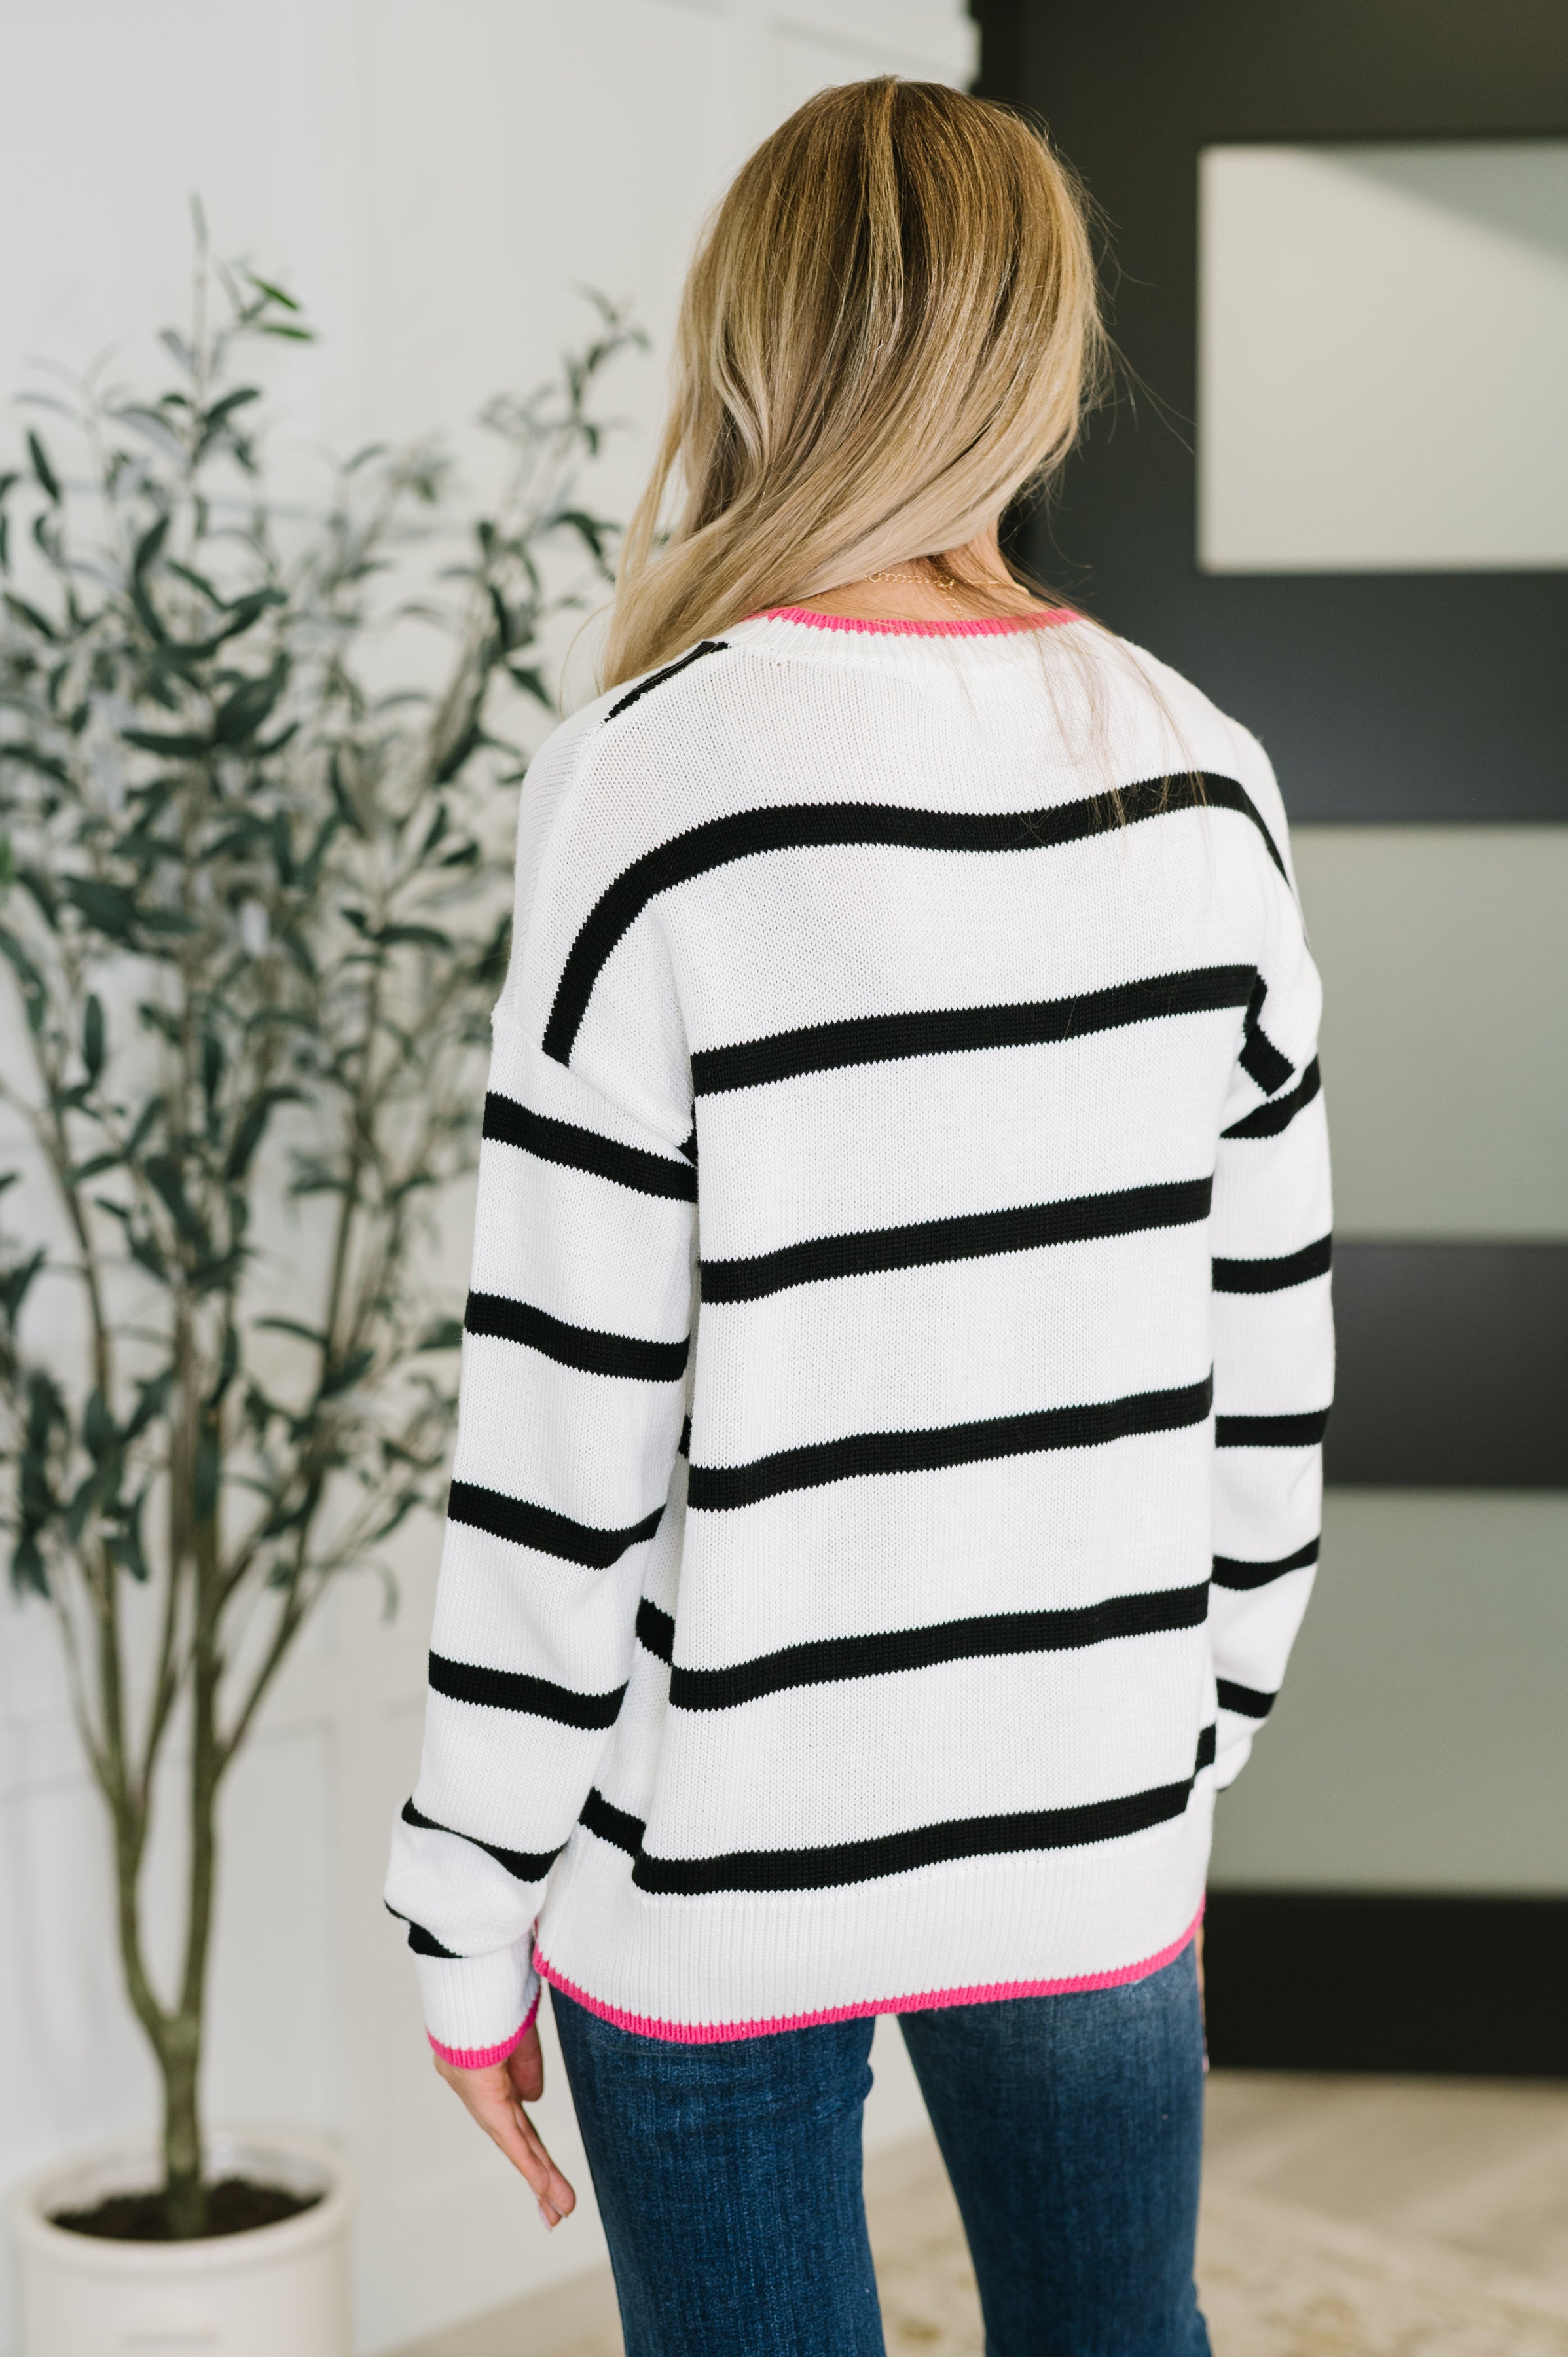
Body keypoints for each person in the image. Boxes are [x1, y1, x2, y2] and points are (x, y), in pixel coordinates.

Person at [385, 76, 1332, 2357]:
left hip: (712, 1862)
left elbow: (563, 1423)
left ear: (751, 344)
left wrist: (466, 1906)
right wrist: (1171, 1747)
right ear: (1039, 358)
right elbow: (1269, 1371)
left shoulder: (650, 784)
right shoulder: (1201, 775)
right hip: (1087, 1818)